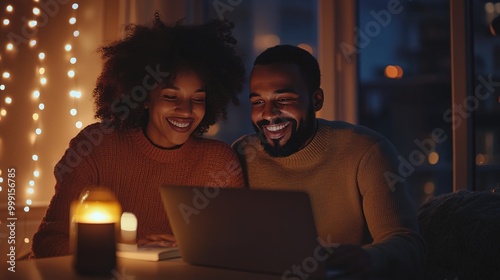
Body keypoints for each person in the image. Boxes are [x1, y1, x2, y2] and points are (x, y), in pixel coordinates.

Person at [31, 14, 246, 258]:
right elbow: (49, 240)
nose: (186, 110)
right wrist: (127, 253)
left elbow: (236, 248)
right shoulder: (96, 146)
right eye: (170, 96)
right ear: (144, 97)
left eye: (197, 99)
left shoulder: (219, 163)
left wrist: (184, 249)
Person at [232, 45, 426, 278]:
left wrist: (369, 257)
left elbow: (408, 243)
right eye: (257, 102)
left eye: (283, 99)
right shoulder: (242, 153)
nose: (268, 114)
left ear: (317, 100)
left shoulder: (368, 151)